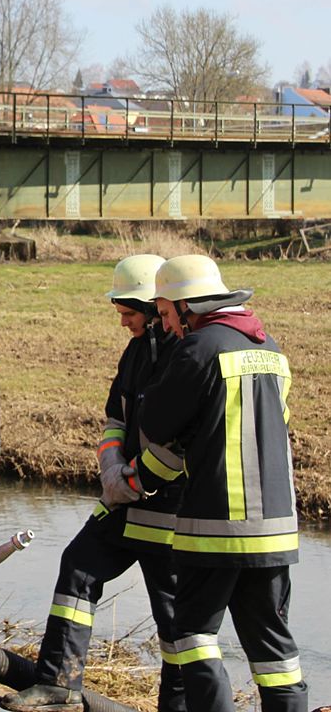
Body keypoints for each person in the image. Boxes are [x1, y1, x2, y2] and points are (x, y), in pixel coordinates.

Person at [1, 255, 185, 712]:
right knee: (78, 565)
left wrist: (134, 480)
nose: (123, 322)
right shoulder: (137, 351)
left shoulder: (185, 353)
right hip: (124, 499)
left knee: (178, 623)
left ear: (154, 304)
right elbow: (115, 419)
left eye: (130, 313)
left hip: (171, 514)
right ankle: (59, 686)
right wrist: (110, 468)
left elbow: (182, 441)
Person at [130, 254, 306, 712]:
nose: (166, 325)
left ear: (189, 305)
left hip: (216, 526)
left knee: (192, 635)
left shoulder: (199, 347)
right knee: (275, 654)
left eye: (167, 313)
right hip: (276, 530)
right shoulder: (270, 346)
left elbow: (158, 421)